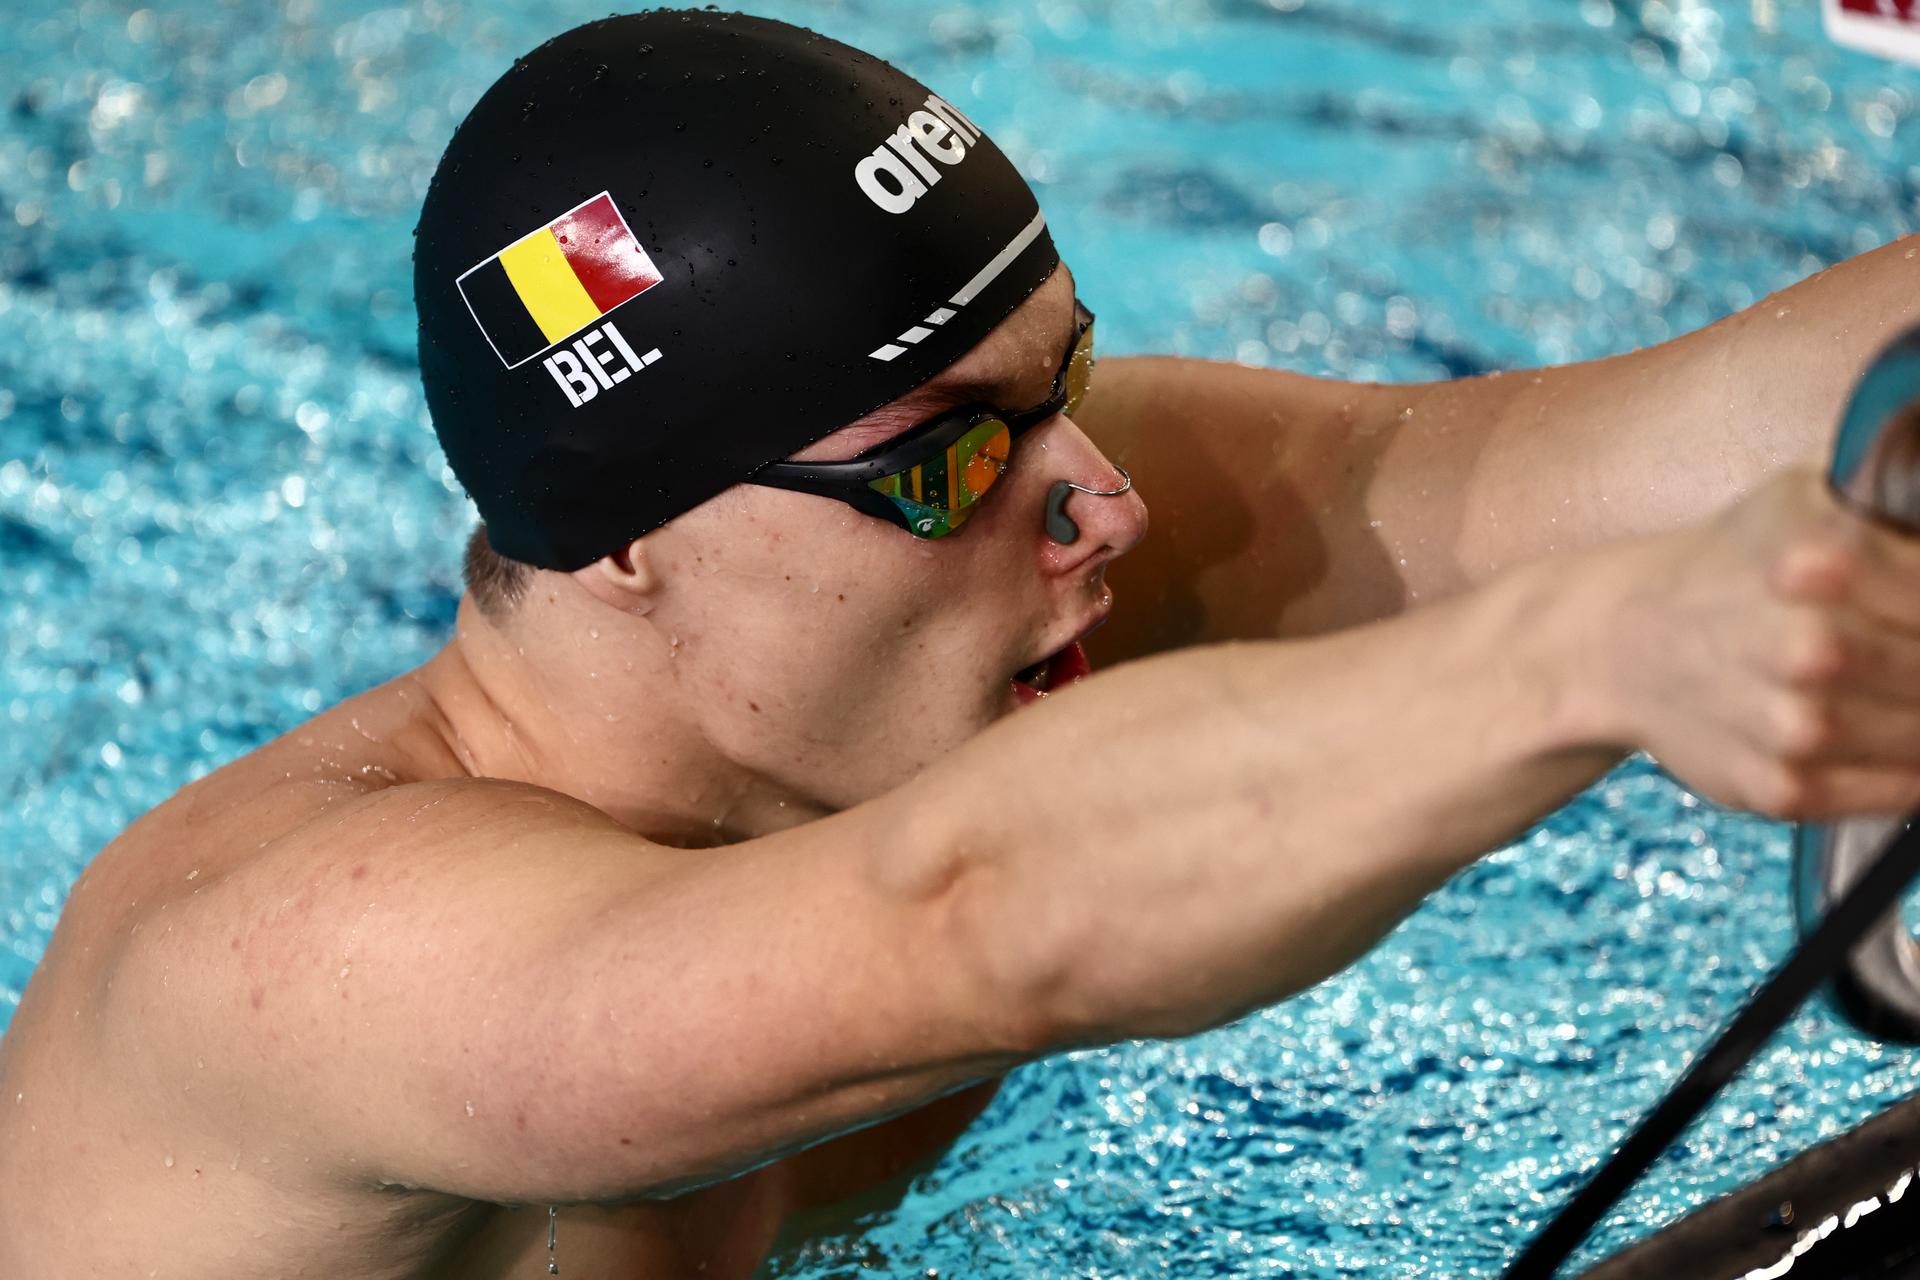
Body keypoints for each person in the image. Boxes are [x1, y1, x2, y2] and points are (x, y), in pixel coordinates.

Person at [2, 9, 1918, 1276]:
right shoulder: (304, 965)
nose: (1105, 505)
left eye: (1065, 383)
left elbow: (1623, 458)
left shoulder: (986, 603)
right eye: (947, 468)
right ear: (624, 547)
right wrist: (1594, 662)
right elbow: (969, 923)